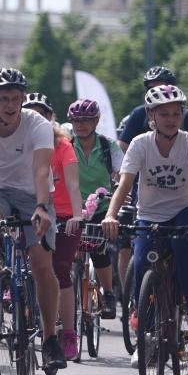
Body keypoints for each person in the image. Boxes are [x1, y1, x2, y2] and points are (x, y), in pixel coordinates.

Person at [0, 67, 66, 371]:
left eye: (16, 98)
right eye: (4, 98)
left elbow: (42, 170)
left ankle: (50, 339)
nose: (11, 105)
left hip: (33, 194)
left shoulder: (37, 125)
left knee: (42, 265)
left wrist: (42, 207)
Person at [99, 84, 188, 367]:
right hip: (150, 213)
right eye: (164, 114)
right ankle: (146, 337)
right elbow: (125, 183)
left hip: (186, 209)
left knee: (181, 242)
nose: (172, 119)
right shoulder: (140, 144)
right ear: (151, 115)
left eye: (176, 113)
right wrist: (111, 215)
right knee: (140, 263)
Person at [23, 92, 85, 362]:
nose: (36, 118)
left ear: (50, 117)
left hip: (62, 214)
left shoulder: (63, 146)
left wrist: (77, 215)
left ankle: (69, 333)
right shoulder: (20, 142)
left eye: (42, 113)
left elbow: (72, 184)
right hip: (32, 211)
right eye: (31, 113)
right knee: (27, 268)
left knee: (60, 271)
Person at [67, 98, 124, 318]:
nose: (81, 125)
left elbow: (123, 172)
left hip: (101, 208)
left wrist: (120, 188)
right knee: (67, 253)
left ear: (96, 121)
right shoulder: (67, 146)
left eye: (87, 120)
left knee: (99, 252)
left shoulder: (109, 146)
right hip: (72, 208)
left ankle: (108, 294)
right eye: (76, 120)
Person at [118, 66, 188, 151]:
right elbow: (122, 151)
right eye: (151, 90)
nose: (156, 93)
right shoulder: (138, 115)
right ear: (149, 113)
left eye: (176, 114)